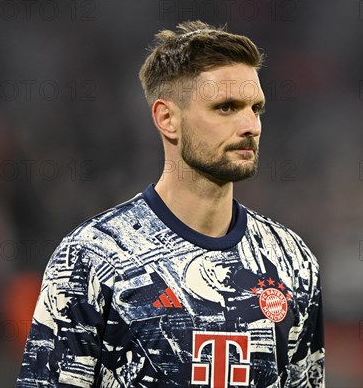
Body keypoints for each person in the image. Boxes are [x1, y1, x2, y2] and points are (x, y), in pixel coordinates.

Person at [17, 21, 325, 387]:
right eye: (226, 107)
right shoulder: (91, 258)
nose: (250, 126)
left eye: (255, 108)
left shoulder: (292, 260)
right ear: (167, 119)